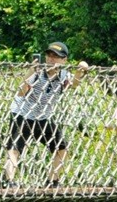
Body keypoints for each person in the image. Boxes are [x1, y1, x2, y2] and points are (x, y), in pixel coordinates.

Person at [5, 41, 86, 185]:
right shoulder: (37, 72)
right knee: (15, 148)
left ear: (64, 60)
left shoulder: (63, 75)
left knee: (62, 148)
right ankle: (8, 181)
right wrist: (30, 72)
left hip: (42, 117)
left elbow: (74, 84)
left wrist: (80, 71)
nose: (51, 59)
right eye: (49, 55)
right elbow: (21, 92)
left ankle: (52, 181)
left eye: (55, 56)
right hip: (23, 114)